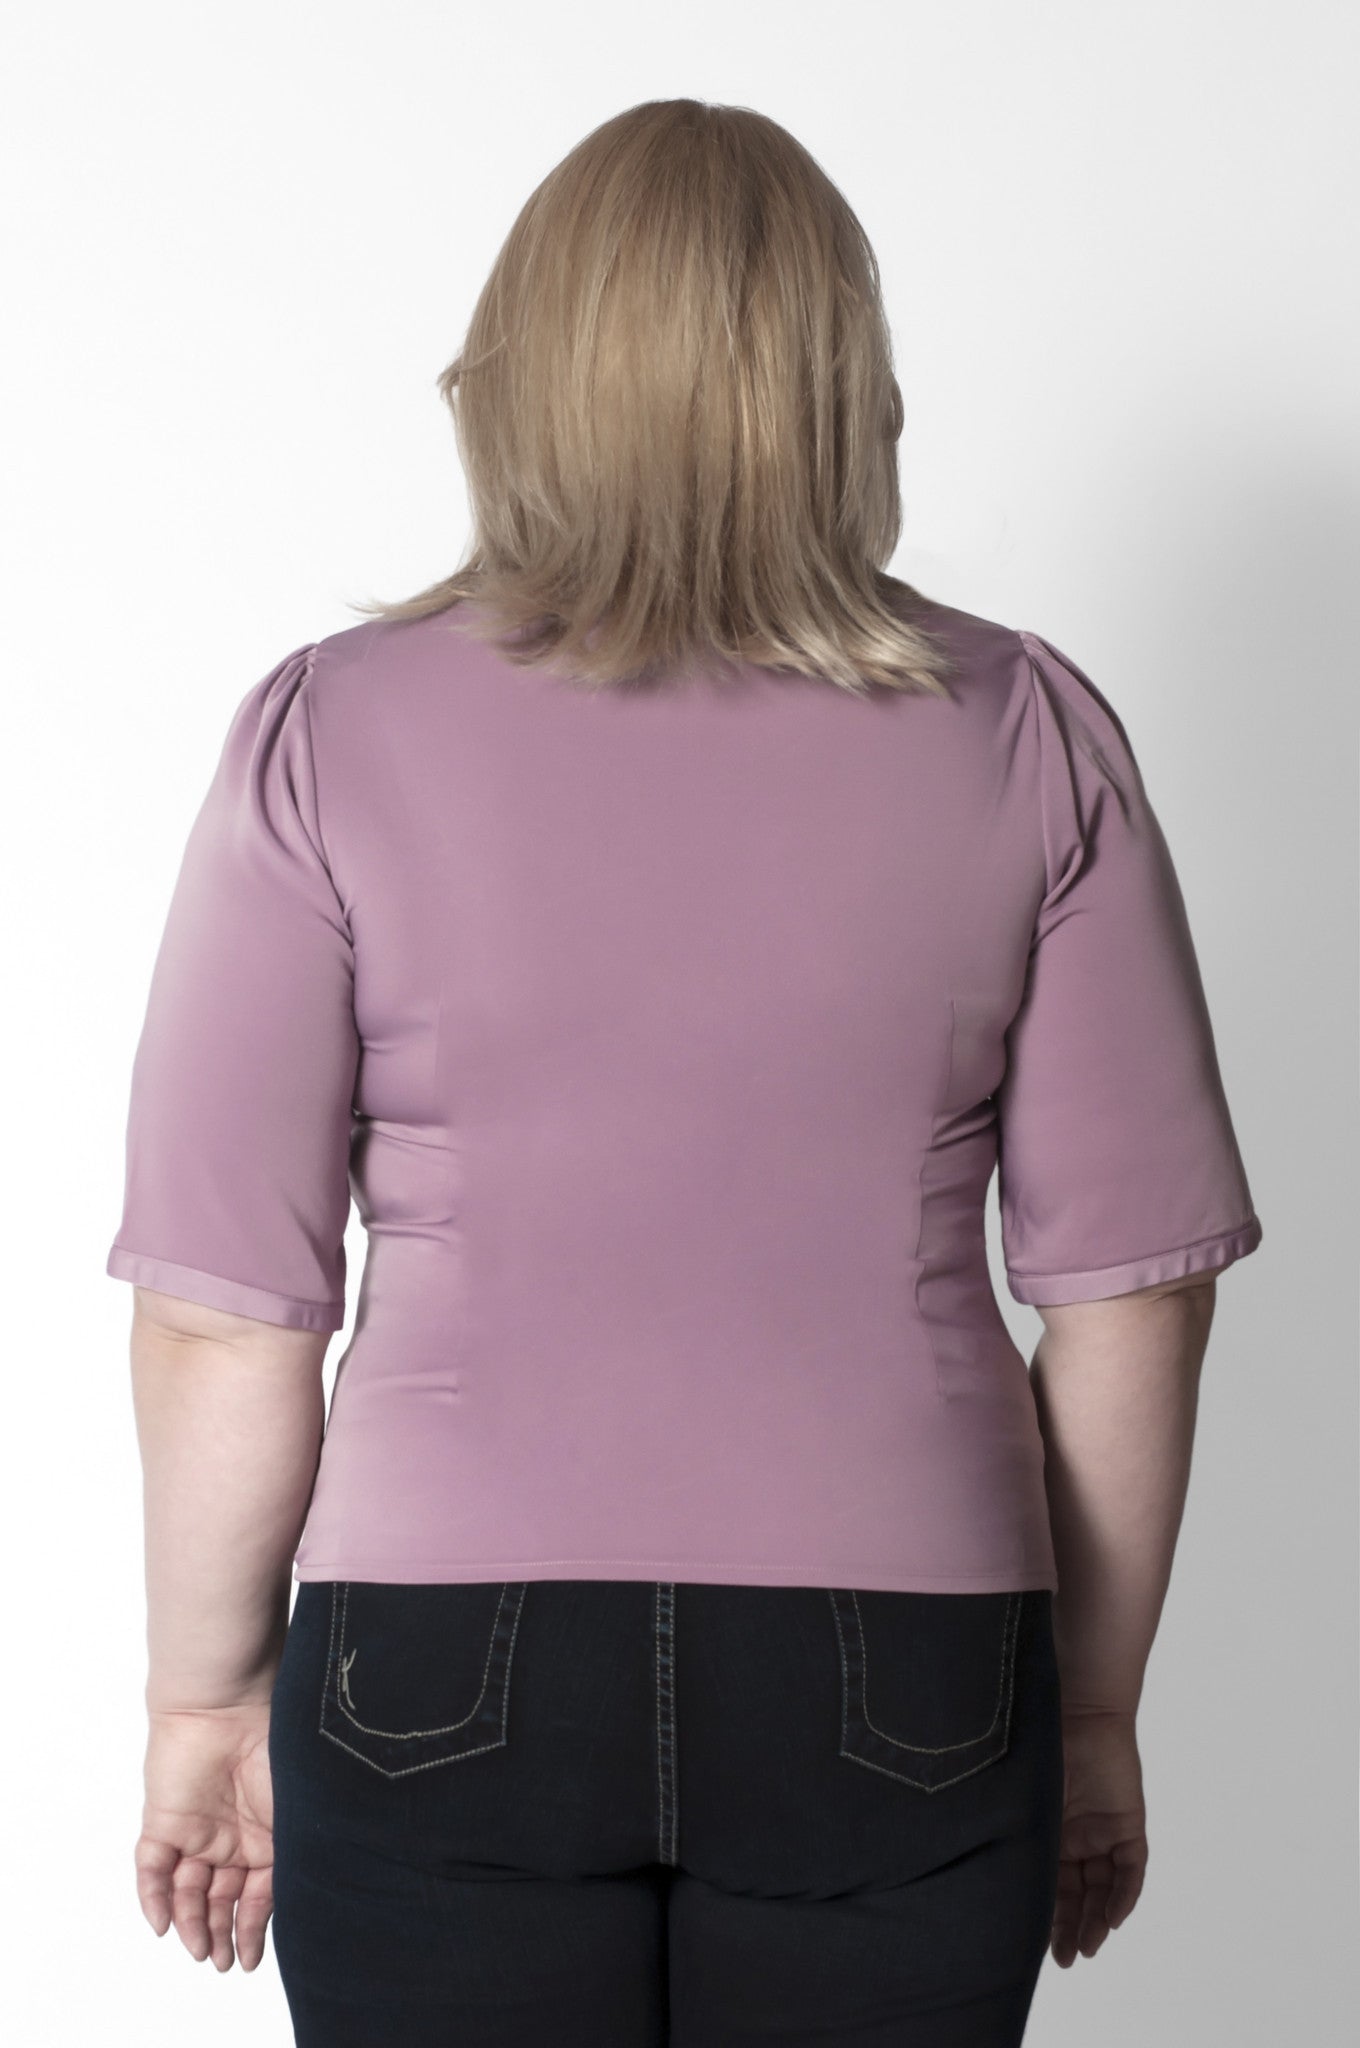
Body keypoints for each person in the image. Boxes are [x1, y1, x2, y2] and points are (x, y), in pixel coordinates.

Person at [106, 97, 1263, 2048]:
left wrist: (203, 1696)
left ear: (512, 382)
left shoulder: (328, 733)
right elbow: (1131, 1295)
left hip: (431, 1663)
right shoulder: (1029, 732)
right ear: (847, 389)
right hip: (907, 1672)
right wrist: (1086, 1714)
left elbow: (222, 1312)